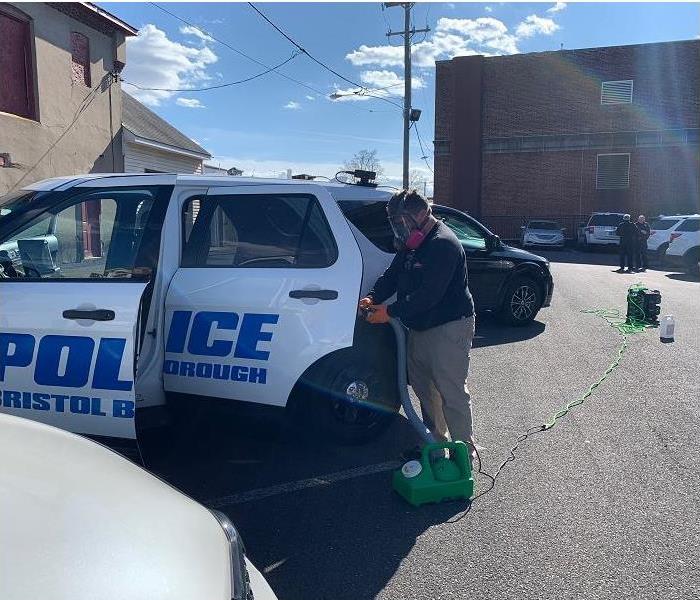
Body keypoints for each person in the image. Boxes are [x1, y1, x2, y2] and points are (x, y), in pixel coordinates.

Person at [358, 190, 478, 457]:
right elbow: (392, 274)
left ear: (422, 214)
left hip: (449, 325)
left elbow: (429, 296)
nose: (399, 229)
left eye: (402, 222)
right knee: (425, 389)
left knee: (451, 390)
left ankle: (462, 455)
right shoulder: (413, 244)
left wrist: (389, 312)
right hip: (420, 325)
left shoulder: (443, 244)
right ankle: (434, 446)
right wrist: (372, 297)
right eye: (395, 223)